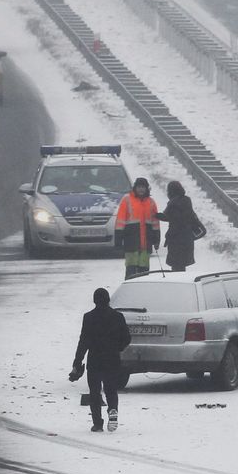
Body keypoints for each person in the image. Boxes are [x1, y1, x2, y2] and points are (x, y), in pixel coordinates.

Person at [69, 287, 132, 432]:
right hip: (112, 359)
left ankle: (97, 423)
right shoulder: (118, 317)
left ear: (94, 301)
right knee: (111, 390)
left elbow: (83, 341)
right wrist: (118, 348)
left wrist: (77, 362)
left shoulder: (89, 317)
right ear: (108, 299)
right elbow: (127, 338)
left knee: (95, 392)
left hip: (95, 360)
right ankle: (113, 410)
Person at [115, 176, 161, 278]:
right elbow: (120, 221)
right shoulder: (126, 200)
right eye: (139, 187)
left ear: (147, 188)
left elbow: (155, 223)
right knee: (131, 270)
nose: (141, 189)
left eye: (143, 187)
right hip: (131, 242)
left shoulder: (151, 202)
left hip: (146, 243)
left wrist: (157, 240)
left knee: (144, 271)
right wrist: (118, 240)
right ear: (135, 188)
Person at [158, 180, 204, 273]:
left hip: (176, 240)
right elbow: (183, 217)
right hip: (186, 240)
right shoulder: (187, 201)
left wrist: (156, 215)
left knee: (176, 268)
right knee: (181, 267)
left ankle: (179, 285)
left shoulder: (173, 203)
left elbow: (171, 218)